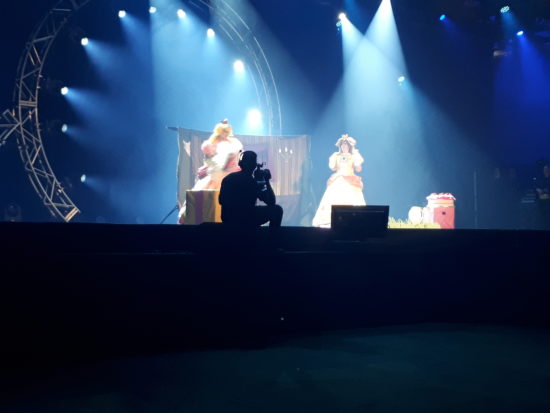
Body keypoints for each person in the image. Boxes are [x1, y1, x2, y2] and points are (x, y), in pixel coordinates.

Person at [312, 134, 366, 228]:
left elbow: (359, 169)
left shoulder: (353, 156)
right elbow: (333, 168)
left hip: (350, 180)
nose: (344, 146)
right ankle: (332, 220)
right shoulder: (336, 156)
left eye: (346, 144)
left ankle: (352, 220)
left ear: (349, 146)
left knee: (351, 200)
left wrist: (356, 159)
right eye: (342, 144)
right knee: (334, 199)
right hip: (338, 179)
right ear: (340, 146)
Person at [219, 150, 283, 228]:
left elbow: (221, 200)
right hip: (246, 218)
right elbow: (271, 202)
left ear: (240, 163)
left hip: (228, 219)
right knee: (277, 210)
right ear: (254, 165)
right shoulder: (252, 181)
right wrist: (266, 180)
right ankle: (272, 236)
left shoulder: (228, 178)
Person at [193, 119, 243, 191]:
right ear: (219, 131)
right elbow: (208, 158)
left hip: (228, 168)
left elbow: (237, 154)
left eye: (227, 132)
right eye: (224, 131)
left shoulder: (232, 142)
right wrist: (214, 165)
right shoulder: (212, 142)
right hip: (215, 168)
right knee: (211, 182)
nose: (225, 133)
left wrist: (229, 161)